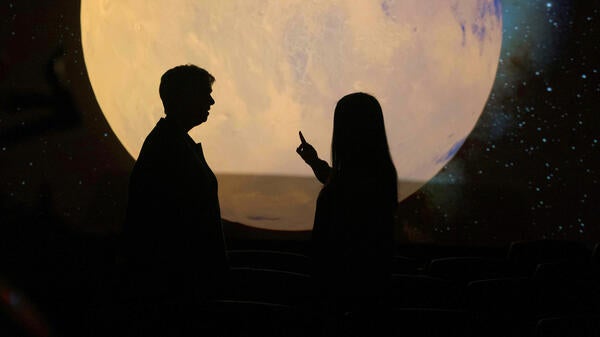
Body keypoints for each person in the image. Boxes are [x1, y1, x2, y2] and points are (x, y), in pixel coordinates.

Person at [123, 64, 228, 335]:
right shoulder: (169, 147)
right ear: (185, 96)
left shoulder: (169, 142)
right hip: (180, 290)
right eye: (206, 93)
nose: (212, 101)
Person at [297, 92, 398, 335]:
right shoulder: (380, 174)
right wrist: (315, 162)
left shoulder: (351, 185)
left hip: (340, 296)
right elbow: (342, 182)